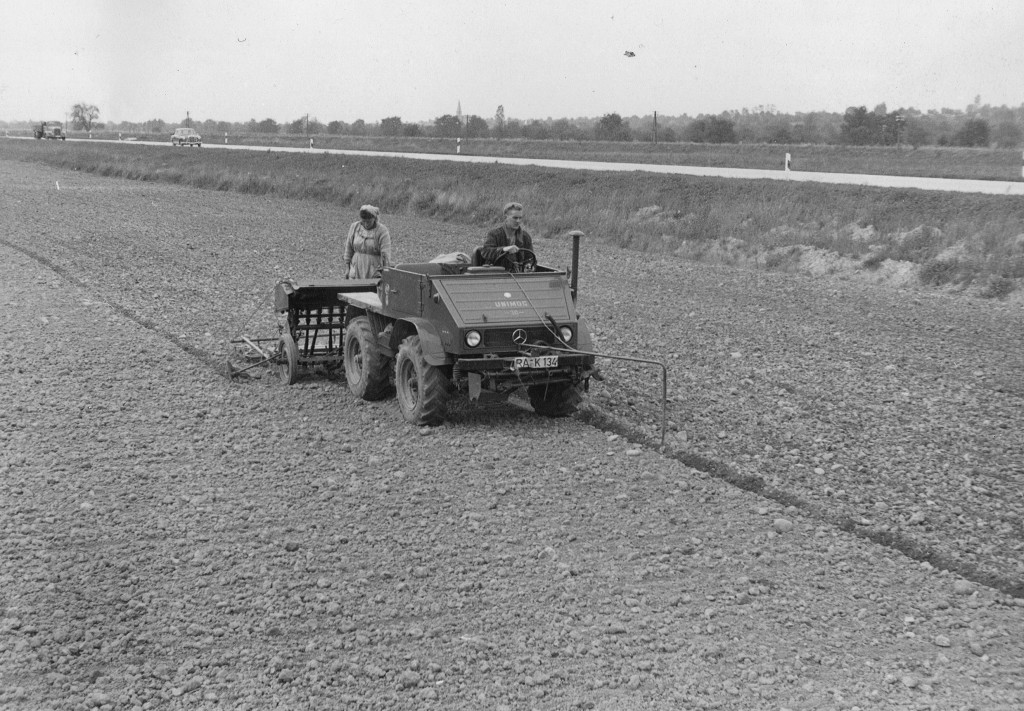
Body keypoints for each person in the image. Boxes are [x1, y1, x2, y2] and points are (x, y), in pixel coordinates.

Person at [479, 202, 535, 272]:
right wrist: (504, 249)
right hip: (497, 274)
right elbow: (485, 252)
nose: (518, 221)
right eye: (515, 218)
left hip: (518, 276)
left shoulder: (525, 236)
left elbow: (530, 257)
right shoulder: (494, 234)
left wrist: (529, 265)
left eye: (520, 218)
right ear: (505, 218)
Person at [343, 204, 392, 279]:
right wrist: (347, 268)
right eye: (363, 221)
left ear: (374, 218)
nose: (366, 224)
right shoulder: (354, 227)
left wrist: (385, 271)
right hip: (356, 267)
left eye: (369, 222)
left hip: (373, 269)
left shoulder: (382, 231)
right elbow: (348, 247)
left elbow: (385, 254)